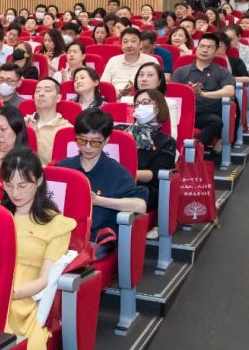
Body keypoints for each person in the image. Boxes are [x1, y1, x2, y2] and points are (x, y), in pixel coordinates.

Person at [0, 148, 74, 350]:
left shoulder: (56, 224)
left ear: (39, 181)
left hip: (23, 295)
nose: (16, 193)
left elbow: (44, 279)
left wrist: (9, 294)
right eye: (9, 185)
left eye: (23, 185)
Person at [57, 109, 148, 250]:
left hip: (95, 240)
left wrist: (98, 200)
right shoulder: (64, 167)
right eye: (82, 140)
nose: (87, 147)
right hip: (61, 236)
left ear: (106, 140)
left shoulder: (117, 172)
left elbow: (140, 206)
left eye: (95, 142)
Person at [115, 89, 177, 217]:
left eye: (145, 102)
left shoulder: (166, 141)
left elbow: (157, 174)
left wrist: (128, 174)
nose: (140, 106)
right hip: (113, 180)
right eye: (137, 103)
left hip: (143, 186)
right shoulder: (119, 130)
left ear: (158, 107)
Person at [170, 33, 235, 152]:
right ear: (197, 48)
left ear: (216, 50)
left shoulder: (222, 71)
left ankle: (192, 149)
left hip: (206, 114)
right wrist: (189, 91)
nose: (204, 50)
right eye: (202, 46)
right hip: (183, 112)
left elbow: (230, 91)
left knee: (215, 122)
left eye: (209, 47)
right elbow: (172, 94)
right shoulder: (181, 71)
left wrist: (204, 94)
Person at [100, 28, 161, 97]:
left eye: (133, 41)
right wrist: (117, 93)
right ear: (121, 45)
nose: (129, 45)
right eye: (125, 42)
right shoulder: (113, 61)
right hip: (116, 99)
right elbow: (104, 86)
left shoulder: (151, 61)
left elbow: (158, 87)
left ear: (140, 44)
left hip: (143, 99)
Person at [25, 78, 72, 164]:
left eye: (47, 90)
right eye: (37, 91)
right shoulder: (24, 124)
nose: (41, 94)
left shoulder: (66, 129)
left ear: (58, 98)